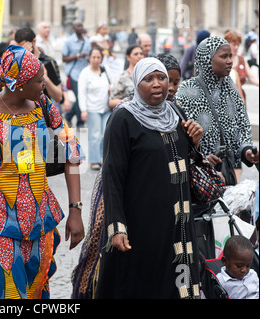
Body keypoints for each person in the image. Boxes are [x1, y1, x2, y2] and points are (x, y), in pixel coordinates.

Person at [0, 45, 86, 299]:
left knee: (36, 293)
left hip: (40, 221)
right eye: (39, 80)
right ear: (17, 84)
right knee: (8, 295)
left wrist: (75, 209)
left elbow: (71, 151)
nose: (45, 83)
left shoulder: (42, 105)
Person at [94, 58, 204, 299]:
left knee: (178, 282)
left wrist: (194, 143)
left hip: (178, 224)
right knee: (144, 281)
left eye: (161, 78)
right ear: (136, 83)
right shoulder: (123, 119)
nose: (157, 84)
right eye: (149, 79)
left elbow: (184, 159)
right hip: (142, 224)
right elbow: (112, 176)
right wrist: (117, 226)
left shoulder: (174, 112)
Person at [175, 36, 259, 184]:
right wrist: (201, 159)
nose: (229, 61)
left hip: (227, 172)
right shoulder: (186, 91)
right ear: (207, 59)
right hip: (199, 177)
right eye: (223, 56)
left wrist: (247, 151)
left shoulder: (230, 87)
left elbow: (242, 125)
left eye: (230, 56)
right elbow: (179, 139)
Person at [78, 47, 111, 170]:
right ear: (89, 58)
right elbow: (82, 93)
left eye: (98, 57)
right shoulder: (85, 73)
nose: (96, 60)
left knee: (105, 134)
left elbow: (112, 83)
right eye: (94, 57)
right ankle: (94, 160)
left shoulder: (105, 70)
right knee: (95, 135)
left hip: (106, 108)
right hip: (92, 109)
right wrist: (83, 110)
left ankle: (104, 158)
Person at [62, 20, 92, 129]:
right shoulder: (69, 41)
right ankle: (80, 123)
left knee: (82, 96)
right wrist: (77, 55)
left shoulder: (87, 41)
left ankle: (69, 115)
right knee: (80, 96)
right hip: (74, 73)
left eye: (82, 25)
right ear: (74, 28)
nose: (81, 27)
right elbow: (64, 58)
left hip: (85, 73)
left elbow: (89, 56)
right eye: (78, 26)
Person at [224, 30, 259, 103]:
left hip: (240, 99)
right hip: (225, 100)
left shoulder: (241, 60)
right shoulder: (221, 60)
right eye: (234, 45)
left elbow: (252, 77)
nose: (236, 47)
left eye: (238, 45)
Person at [109, 44, 144, 109]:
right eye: (136, 54)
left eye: (141, 54)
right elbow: (112, 101)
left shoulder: (147, 75)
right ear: (128, 57)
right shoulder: (123, 77)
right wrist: (129, 103)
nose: (139, 56)